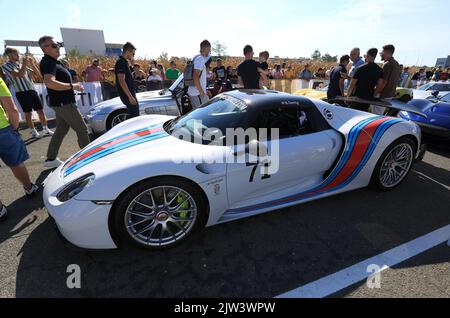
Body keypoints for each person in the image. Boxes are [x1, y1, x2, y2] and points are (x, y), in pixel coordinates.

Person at [39, 36, 90, 169]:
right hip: (64, 103)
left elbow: (57, 81)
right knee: (82, 129)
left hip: (61, 103)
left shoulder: (55, 62)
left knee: (61, 129)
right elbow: (50, 82)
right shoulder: (48, 62)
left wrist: (74, 85)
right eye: (55, 45)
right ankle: (90, 160)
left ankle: (50, 159)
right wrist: (72, 86)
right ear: (45, 48)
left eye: (58, 44)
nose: (58, 47)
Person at [0, 77, 40, 222]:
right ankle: (29, 188)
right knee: (16, 163)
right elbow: (11, 108)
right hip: (3, 130)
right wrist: (14, 128)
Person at [1, 48, 54, 139]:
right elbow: (19, 75)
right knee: (28, 112)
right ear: (9, 55)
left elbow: (37, 74)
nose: (18, 56)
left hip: (32, 90)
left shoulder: (21, 64)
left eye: (18, 54)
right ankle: (33, 131)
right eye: (15, 54)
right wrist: (25, 64)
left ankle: (45, 129)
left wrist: (32, 63)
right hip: (21, 92)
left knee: (40, 110)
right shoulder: (6, 65)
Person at [373, 44, 401, 114]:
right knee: (379, 114)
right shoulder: (396, 63)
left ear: (386, 52)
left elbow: (383, 82)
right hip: (390, 94)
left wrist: (374, 94)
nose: (380, 54)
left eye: (382, 52)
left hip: (383, 95)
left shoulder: (387, 64)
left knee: (376, 115)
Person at [115, 42, 139, 118]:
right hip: (128, 95)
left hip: (130, 94)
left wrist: (131, 65)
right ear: (128, 51)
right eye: (133, 54)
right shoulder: (120, 62)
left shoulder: (125, 62)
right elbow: (121, 81)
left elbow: (128, 76)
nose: (133, 56)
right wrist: (130, 97)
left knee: (134, 116)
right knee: (135, 118)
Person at [188, 40, 211, 109]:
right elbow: (195, 76)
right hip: (198, 94)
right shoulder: (200, 59)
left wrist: (205, 90)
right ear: (206, 48)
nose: (209, 51)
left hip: (195, 93)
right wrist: (202, 93)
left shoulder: (195, 57)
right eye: (209, 49)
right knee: (204, 115)